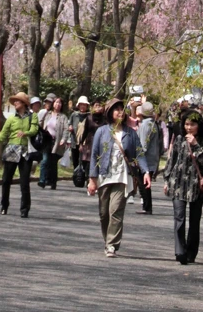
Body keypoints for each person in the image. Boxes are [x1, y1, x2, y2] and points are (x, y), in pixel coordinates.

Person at [88, 98, 150, 257]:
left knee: (115, 210)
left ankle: (112, 245)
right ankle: (107, 240)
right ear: (109, 113)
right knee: (104, 214)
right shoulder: (101, 132)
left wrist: (146, 172)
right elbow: (94, 155)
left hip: (122, 177)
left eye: (122, 109)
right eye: (116, 109)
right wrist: (92, 179)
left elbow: (139, 153)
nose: (120, 112)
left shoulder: (130, 133)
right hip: (104, 176)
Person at [163, 109, 203, 265]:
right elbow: (172, 160)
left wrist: (196, 145)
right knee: (179, 217)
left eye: (192, 124)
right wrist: (166, 179)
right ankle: (180, 250)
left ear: (199, 125)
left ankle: (191, 252)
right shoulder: (178, 140)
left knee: (194, 220)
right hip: (178, 184)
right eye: (186, 124)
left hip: (197, 186)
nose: (189, 128)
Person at [0, 92, 38, 218]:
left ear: (24, 103)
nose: (15, 103)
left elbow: (34, 130)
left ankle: (24, 209)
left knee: (24, 182)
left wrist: (25, 133)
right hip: (11, 150)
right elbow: (4, 133)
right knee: (6, 180)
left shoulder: (32, 116)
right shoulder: (11, 118)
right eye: (14, 102)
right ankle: (4, 205)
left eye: (17, 101)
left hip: (25, 151)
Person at [39, 95, 70, 190]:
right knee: (44, 160)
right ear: (53, 104)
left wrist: (63, 139)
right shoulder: (47, 114)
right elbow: (41, 125)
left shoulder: (63, 117)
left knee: (53, 162)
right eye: (56, 102)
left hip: (56, 142)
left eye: (60, 103)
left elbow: (66, 129)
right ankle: (42, 180)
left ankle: (53, 182)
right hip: (47, 141)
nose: (58, 104)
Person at [137, 101, 161, 214]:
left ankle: (147, 206)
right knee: (145, 182)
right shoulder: (153, 124)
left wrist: (139, 156)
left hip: (146, 158)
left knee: (144, 182)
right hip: (153, 157)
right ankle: (146, 206)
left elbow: (143, 144)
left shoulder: (145, 125)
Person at [69, 96, 90, 169]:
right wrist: (70, 126)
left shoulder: (89, 116)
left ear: (87, 106)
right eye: (81, 104)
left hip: (85, 142)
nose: (82, 106)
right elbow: (69, 123)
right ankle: (76, 176)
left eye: (84, 105)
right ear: (78, 105)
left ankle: (83, 176)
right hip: (75, 141)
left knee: (84, 160)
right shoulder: (74, 115)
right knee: (75, 160)